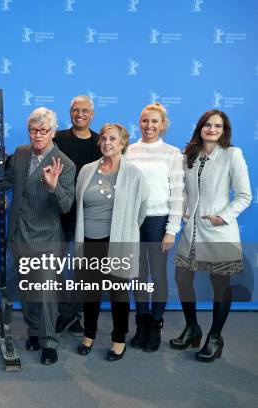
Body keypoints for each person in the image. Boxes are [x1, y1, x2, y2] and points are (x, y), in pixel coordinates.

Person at [0, 107, 76, 365]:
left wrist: (54, 186)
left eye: (43, 131)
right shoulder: (21, 153)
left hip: (46, 241)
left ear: (53, 133)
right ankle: (34, 332)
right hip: (18, 236)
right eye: (33, 130)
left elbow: (66, 205)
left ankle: (49, 343)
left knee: (44, 295)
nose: (37, 135)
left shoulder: (65, 164)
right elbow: (6, 182)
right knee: (27, 291)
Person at [171, 110, 251, 362]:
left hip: (218, 231)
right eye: (207, 124)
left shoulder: (232, 155)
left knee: (220, 285)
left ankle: (215, 336)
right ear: (200, 127)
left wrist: (223, 216)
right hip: (191, 231)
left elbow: (244, 195)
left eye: (218, 125)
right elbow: (183, 188)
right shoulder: (189, 155)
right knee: (182, 278)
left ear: (224, 130)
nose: (212, 129)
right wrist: (183, 208)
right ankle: (192, 327)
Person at [74, 123, 149, 361]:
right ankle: (89, 335)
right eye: (104, 138)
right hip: (89, 241)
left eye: (113, 139)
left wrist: (128, 230)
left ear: (123, 143)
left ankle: (119, 340)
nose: (107, 142)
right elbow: (78, 201)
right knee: (91, 292)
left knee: (118, 293)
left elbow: (143, 207)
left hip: (117, 241)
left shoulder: (134, 174)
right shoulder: (86, 170)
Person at [125, 102, 184, 352]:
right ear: (140, 123)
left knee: (158, 275)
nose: (149, 126)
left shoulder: (172, 153)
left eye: (154, 122)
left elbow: (178, 194)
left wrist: (172, 229)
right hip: (133, 221)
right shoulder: (128, 151)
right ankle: (141, 324)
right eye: (145, 121)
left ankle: (155, 325)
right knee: (138, 275)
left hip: (158, 221)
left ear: (163, 125)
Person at [53, 95, 102, 336]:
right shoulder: (58, 138)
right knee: (58, 265)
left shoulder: (100, 142)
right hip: (61, 211)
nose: (79, 114)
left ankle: (77, 312)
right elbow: (36, 154)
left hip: (91, 213)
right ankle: (65, 313)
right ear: (70, 113)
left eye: (84, 110)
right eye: (75, 110)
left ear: (92, 114)